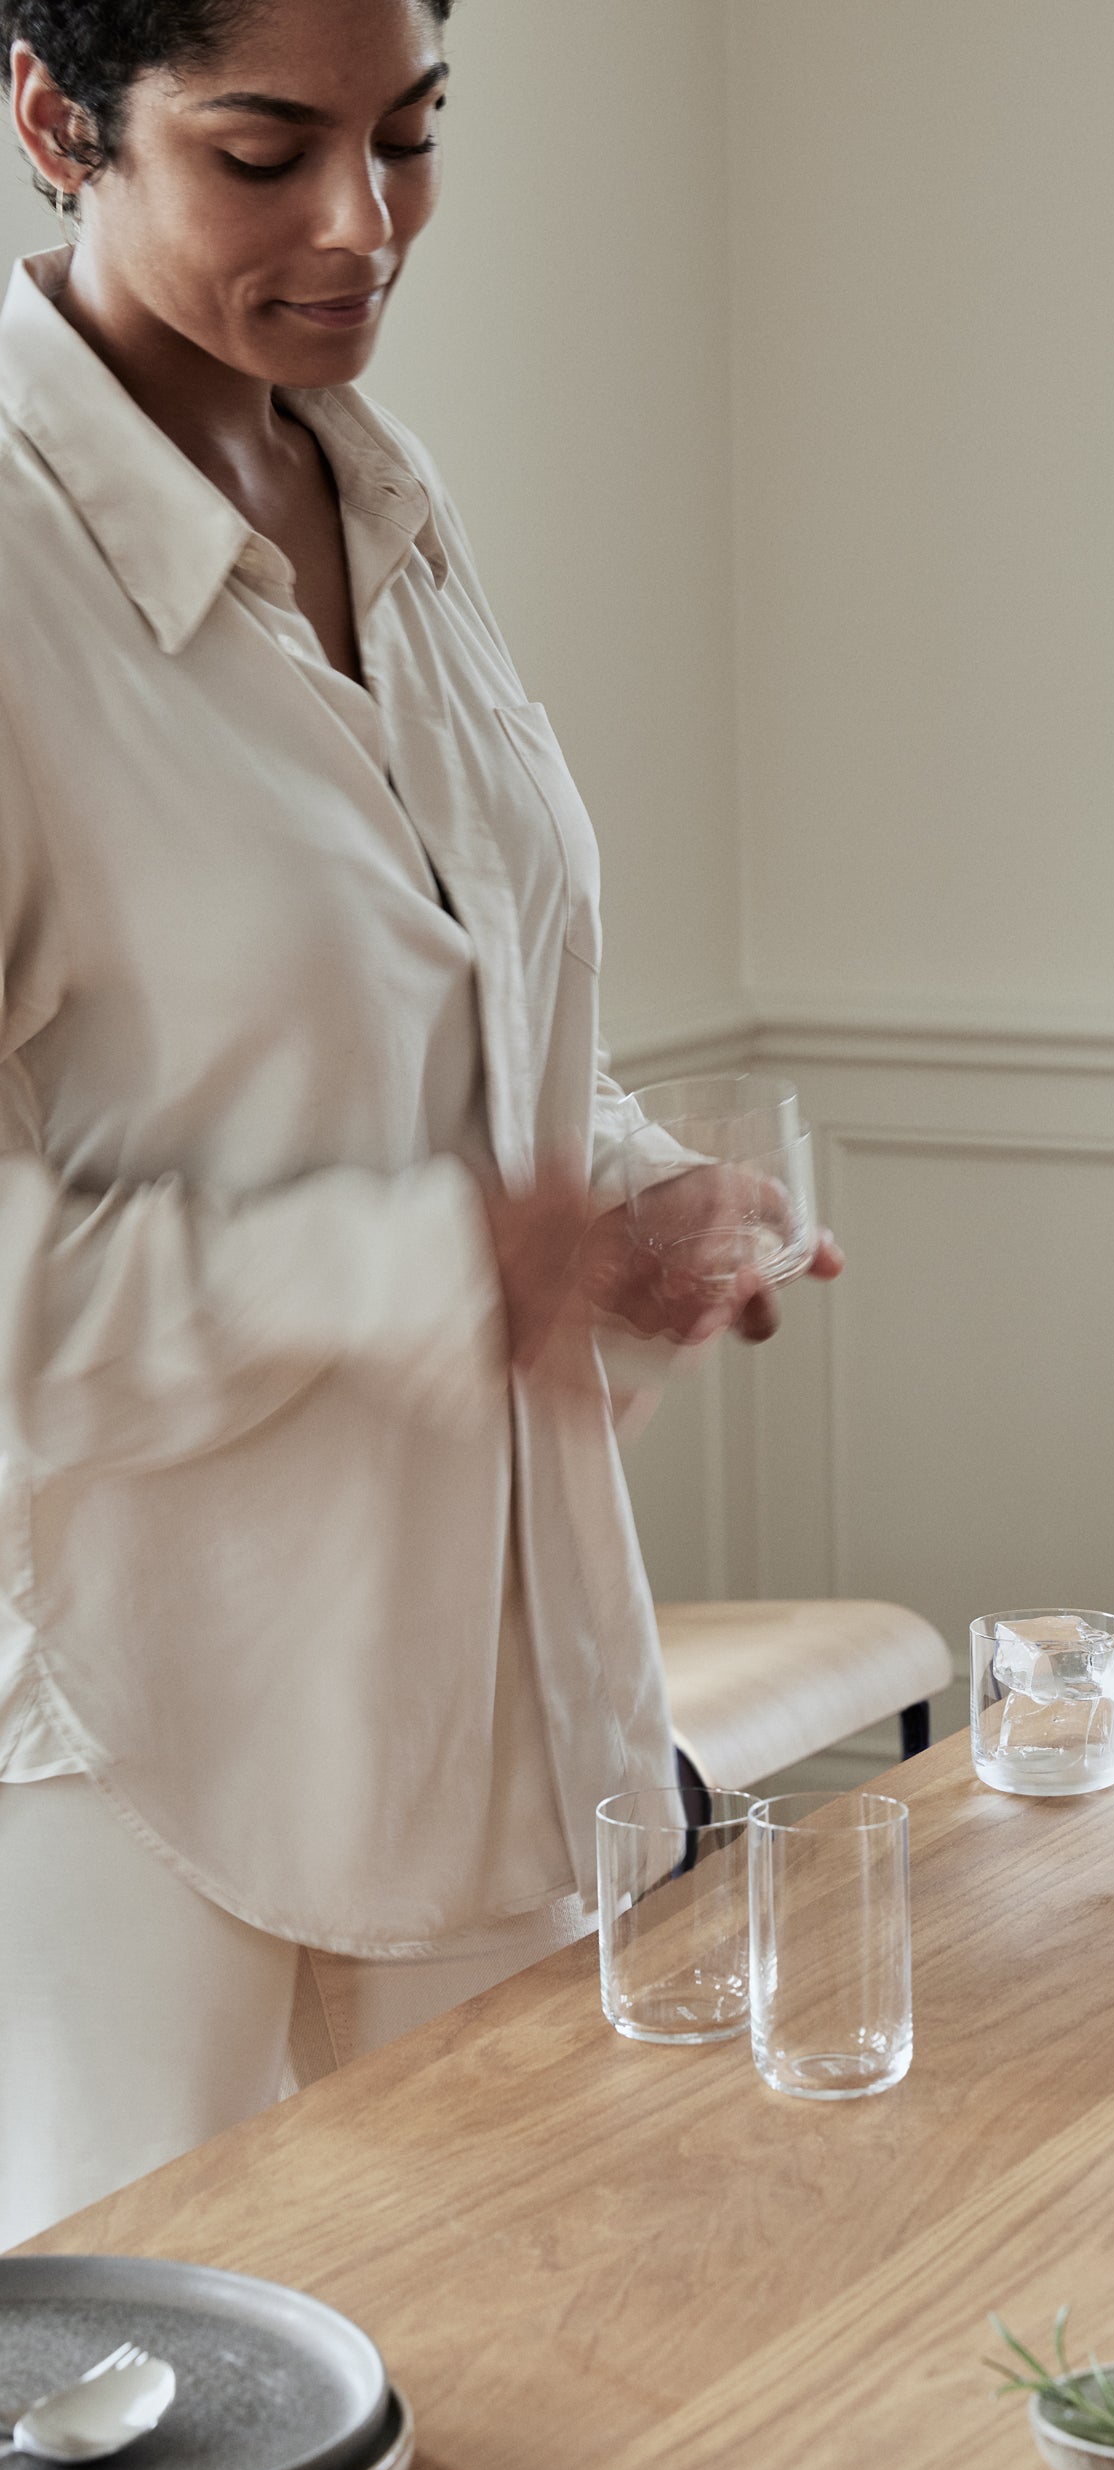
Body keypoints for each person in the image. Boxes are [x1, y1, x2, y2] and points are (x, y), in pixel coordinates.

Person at [0, 0, 835, 2246]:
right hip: (146, 1748)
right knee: (183, 2421)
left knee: (564, 2362)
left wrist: (635, 1194)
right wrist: (437, 1266)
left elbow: (452, 1006)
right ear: (59, 117)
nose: (362, 223)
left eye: (411, 135)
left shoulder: (380, 493)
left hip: (506, 1693)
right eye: (265, 150)